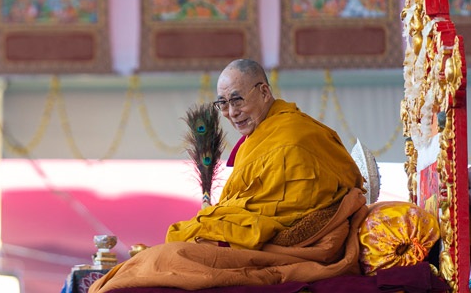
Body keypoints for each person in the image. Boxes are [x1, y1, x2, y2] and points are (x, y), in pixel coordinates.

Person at [89, 59, 367, 292]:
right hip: (249, 234)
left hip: (275, 245)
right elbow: (257, 202)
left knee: (167, 260)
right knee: (157, 259)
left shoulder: (293, 139)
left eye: (237, 101)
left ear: (264, 92)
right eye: (222, 104)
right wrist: (217, 219)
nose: (231, 113)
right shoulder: (262, 134)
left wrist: (216, 222)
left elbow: (283, 216)